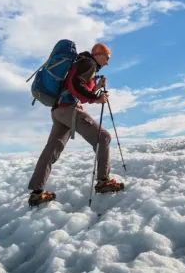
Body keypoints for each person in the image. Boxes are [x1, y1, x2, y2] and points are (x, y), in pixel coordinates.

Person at [28, 42, 124, 206]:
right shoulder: (88, 63)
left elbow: (75, 87)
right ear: (98, 54)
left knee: (51, 149)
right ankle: (103, 182)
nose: (108, 62)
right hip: (69, 110)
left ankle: (36, 193)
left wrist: (96, 88)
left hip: (59, 111)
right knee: (104, 138)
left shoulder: (81, 63)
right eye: (107, 57)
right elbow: (75, 86)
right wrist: (96, 98)